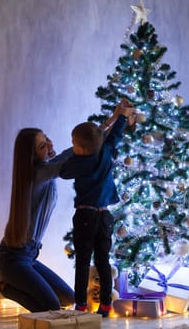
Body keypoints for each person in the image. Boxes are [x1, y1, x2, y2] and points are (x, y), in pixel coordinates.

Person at [0, 128, 75, 312]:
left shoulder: (44, 168)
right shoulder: (39, 173)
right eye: (42, 145)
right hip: (12, 258)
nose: (48, 144)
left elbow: (66, 155)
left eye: (46, 138)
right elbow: (74, 154)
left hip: (30, 255)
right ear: (33, 155)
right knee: (50, 307)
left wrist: (113, 121)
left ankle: (8, 280)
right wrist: (108, 128)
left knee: (68, 299)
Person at [59, 99, 135, 317]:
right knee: (103, 260)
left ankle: (81, 304)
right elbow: (116, 135)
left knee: (83, 260)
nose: (72, 146)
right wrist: (120, 116)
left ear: (80, 148)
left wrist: (74, 154)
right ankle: (105, 305)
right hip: (105, 217)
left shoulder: (79, 162)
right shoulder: (107, 153)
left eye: (73, 143)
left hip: (86, 215)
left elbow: (63, 172)